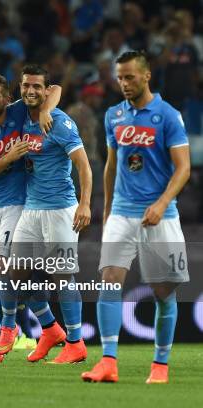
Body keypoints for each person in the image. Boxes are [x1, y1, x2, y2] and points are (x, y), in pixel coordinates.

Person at [82, 51, 190, 384]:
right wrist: (107, 210)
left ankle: (160, 367)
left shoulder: (168, 115)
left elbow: (183, 167)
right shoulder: (114, 115)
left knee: (163, 292)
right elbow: (112, 166)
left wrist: (161, 203)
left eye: (130, 77)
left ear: (146, 76)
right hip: (122, 214)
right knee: (108, 283)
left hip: (160, 215)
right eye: (120, 78)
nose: (124, 83)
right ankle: (108, 362)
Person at [0, 65, 93, 364]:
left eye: (37, 87)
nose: (31, 91)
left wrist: (85, 203)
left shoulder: (60, 123)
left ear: (45, 89)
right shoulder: (22, 117)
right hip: (32, 210)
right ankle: (51, 329)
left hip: (60, 210)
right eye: (26, 86)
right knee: (16, 274)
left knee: (63, 277)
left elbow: (84, 166)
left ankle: (76, 343)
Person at [0, 73, 60, 363]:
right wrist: (8, 157)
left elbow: (55, 88)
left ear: (7, 98)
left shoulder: (19, 112)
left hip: (17, 205)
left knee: (5, 268)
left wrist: (44, 110)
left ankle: (8, 327)